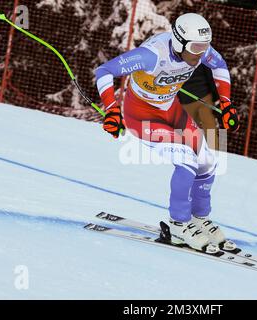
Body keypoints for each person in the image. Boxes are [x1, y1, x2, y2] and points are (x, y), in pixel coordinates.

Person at [94, 13, 239, 252]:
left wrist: (225, 102)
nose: (201, 54)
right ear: (179, 41)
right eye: (195, 48)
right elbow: (105, 71)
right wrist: (111, 110)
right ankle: (179, 224)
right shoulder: (151, 55)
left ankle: (199, 218)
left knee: (207, 161)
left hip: (171, 108)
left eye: (204, 47)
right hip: (142, 116)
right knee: (186, 160)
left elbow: (220, 65)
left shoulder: (200, 50)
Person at [178, 64, 220, 150]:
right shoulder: (203, 56)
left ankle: (212, 152)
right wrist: (216, 98)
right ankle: (211, 152)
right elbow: (210, 77)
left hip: (195, 99)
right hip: (200, 98)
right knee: (209, 128)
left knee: (190, 130)